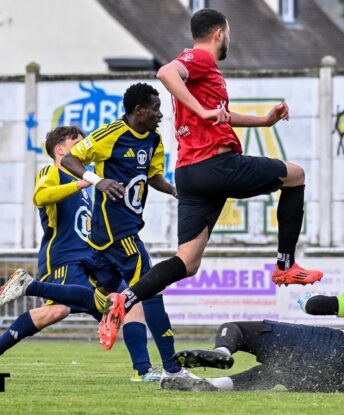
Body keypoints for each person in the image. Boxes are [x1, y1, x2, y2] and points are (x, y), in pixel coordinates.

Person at [96, 8, 323, 349]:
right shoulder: (200, 58)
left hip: (190, 173)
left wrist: (264, 121)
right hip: (216, 165)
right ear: (220, 33)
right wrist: (203, 111)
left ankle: (124, 299)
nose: (228, 39)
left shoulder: (202, 75)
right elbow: (165, 72)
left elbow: (221, 116)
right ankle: (285, 265)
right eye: (228, 34)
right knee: (295, 175)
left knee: (187, 262)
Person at [60, 83, 193, 381]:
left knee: (105, 293)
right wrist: (98, 180)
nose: (160, 115)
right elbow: (69, 159)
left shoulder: (154, 139)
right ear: (138, 110)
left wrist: (174, 190)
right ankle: (173, 368)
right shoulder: (111, 134)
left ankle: (38, 289)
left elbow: (153, 176)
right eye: (155, 109)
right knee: (152, 289)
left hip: (107, 236)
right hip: (118, 230)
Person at [160, 260, 344, 393]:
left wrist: (305, 296)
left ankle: (222, 352)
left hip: (339, 351)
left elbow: (317, 306)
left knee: (237, 329)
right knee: (278, 369)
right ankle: (210, 386)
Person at [0, 126, 103, 355]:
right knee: (108, 304)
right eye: (77, 144)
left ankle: (146, 364)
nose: (83, 149)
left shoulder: (84, 187)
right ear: (60, 150)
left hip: (88, 258)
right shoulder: (53, 172)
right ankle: (145, 367)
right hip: (64, 257)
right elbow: (40, 196)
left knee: (57, 311)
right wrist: (78, 184)